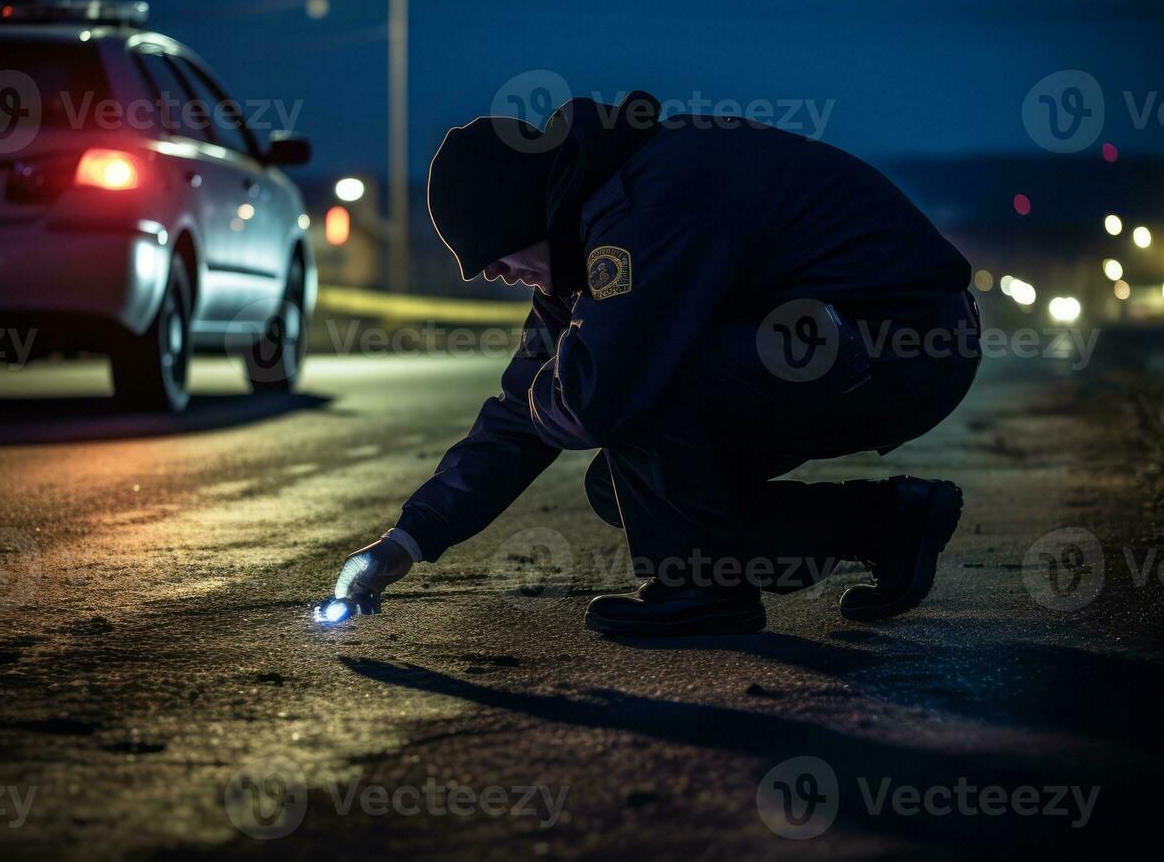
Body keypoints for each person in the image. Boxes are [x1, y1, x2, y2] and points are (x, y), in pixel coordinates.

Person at [330, 91, 980, 637]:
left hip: (903, 342)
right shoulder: (584, 239)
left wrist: (571, 384)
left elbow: (598, 393)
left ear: (534, 210)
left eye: (495, 254)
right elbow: (521, 406)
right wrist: (407, 540)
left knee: (629, 382)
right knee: (628, 488)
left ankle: (701, 593)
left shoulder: (652, 198)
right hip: (834, 349)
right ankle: (887, 523)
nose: (496, 275)